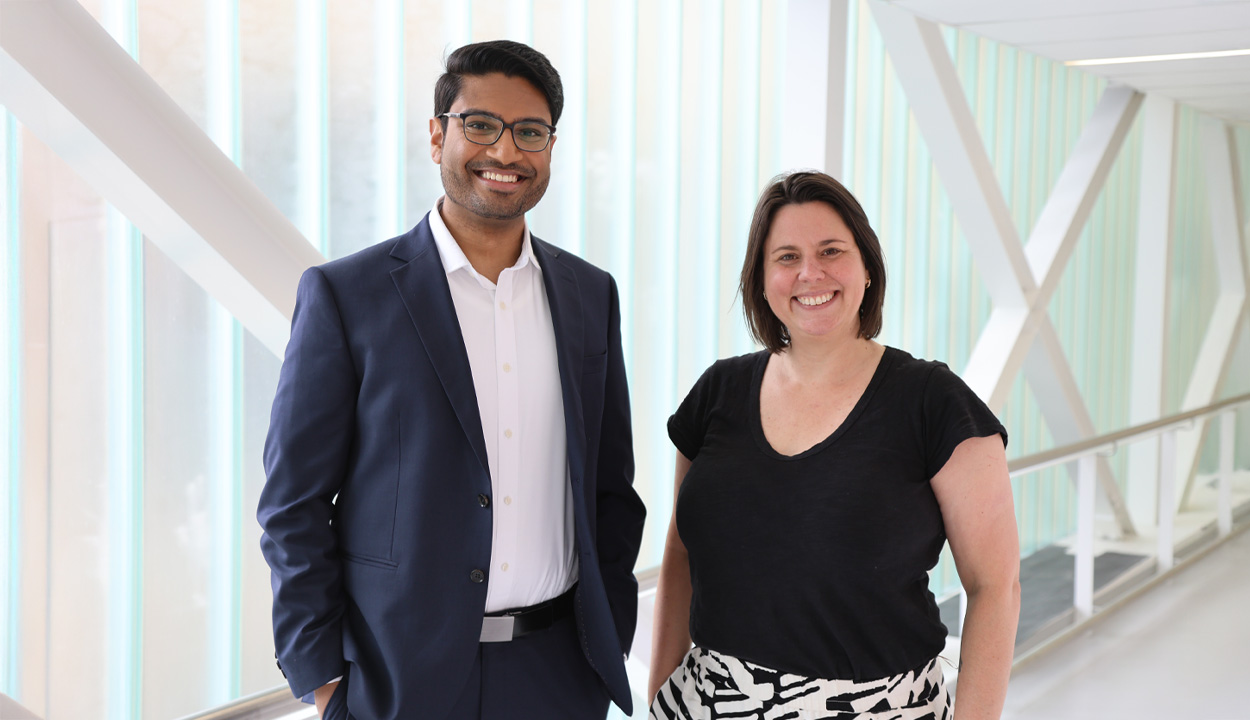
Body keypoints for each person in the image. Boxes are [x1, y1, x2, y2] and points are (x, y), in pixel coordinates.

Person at [258, 40, 646, 720]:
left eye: (529, 131)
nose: (505, 151)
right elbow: (294, 504)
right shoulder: (348, 296)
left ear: (550, 146)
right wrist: (321, 678)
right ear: (438, 134)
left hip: (557, 675)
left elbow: (611, 489)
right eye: (480, 125)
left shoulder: (590, 295)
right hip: (399, 677)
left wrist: (606, 638)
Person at [647, 171, 1020, 719]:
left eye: (830, 251)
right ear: (761, 278)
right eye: (786, 257)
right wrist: (661, 691)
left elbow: (995, 587)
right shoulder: (716, 392)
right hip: (706, 702)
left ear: (867, 268)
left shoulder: (933, 402)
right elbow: (680, 552)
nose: (809, 274)